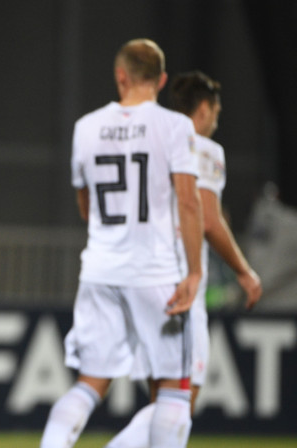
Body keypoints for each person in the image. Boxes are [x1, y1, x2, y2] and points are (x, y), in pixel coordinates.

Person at [39, 38, 204, 448]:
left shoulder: (87, 126)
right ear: (162, 79)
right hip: (156, 271)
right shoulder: (175, 126)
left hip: (100, 269)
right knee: (175, 390)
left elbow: (86, 206)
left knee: (89, 385)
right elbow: (188, 200)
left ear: (120, 76)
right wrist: (196, 271)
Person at [105, 71, 263, 448]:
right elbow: (208, 218)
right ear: (206, 109)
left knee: (164, 402)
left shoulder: (153, 145)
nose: (217, 119)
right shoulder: (201, 148)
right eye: (217, 111)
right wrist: (244, 271)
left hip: (140, 280)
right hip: (178, 286)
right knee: (177, 406)